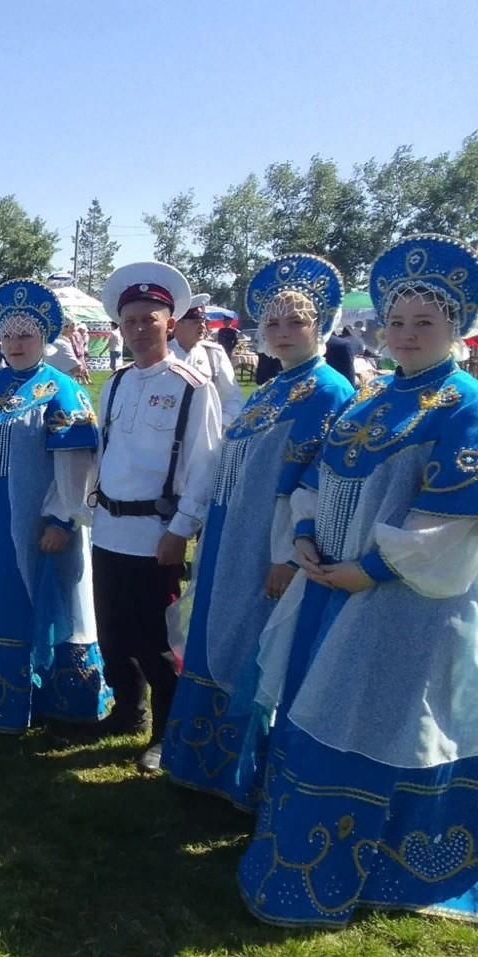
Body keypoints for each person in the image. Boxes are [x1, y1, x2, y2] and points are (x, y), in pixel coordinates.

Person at [237, 234, 478, 927]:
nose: (404, 334)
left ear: (455, 328)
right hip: (331, 589)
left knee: (383, 721)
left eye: (423, 323)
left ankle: (374, 867)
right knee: (320, 711)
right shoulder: (371, 400)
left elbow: (449, 525)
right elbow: (317, 478)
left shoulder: (462, 404)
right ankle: (298, 856)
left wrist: (367, 572)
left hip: (403, 603)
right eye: (396, 322)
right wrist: (306, 538)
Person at [161, 255, 353, 808]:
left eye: (296, 322)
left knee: (254, 645)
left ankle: (245, 775)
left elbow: (307, 485)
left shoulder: (328, 391)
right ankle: (202, 763)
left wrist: (286, 556)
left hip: (269, 548)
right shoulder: (272, 388)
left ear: (323, 325)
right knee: (217, 633)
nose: (283, 332)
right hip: (229, 535)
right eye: (273, 323)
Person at [0, 278, 111, 733]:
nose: (15, 344)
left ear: (44, 338)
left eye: (25, 336)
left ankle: (39, 696)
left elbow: (76, 463)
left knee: (29, 600)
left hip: (32, 523)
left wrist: (61, 517)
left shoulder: (61, 391)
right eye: (7, 335)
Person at [92, 261, 222, 773]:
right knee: (113, 631)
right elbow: (108, 453)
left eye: (151, 318)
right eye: (131, 320)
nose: (140, 328)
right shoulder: (117, 383)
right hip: (109, 526)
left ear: (171, 322)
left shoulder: (193, 385)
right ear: (119, 326)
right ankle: (128, 709)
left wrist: (181, 528)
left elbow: (204, 463)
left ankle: (166, 733)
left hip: (155, 532)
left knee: (157, 638)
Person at [171, 294, 245, 426]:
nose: (202, 326)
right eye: (196, 322)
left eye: (203, 321)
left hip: (205, 432)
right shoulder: (162, 353)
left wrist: (221, 423)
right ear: (177, 324)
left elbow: (233, 396)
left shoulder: (214, 353)